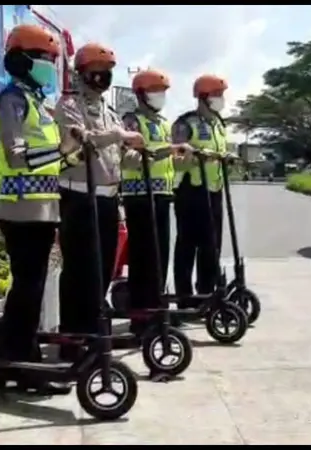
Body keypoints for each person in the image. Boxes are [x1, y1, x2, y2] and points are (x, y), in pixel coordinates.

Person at [0, 24, 76, 394]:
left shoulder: (38, 102)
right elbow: (17, 155)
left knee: (33, 287)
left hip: (43, 209)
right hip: (20, 207)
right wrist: (62, 150)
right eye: (44, 59)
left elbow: (53, 161)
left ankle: (15, 352)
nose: (49, 66)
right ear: (20, 60)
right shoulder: (11, 100)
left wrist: (72, 154)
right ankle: (22, 363)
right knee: (28, 286)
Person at [54, 42, 145, 361]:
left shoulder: (108, 111)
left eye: (108, 73)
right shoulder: (68, 105)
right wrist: (119, 135)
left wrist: (144, 153)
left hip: (108, 198)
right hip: (78, 196)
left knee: (104, 269)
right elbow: (83, 140)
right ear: (83, 73)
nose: (104, 78)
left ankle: (93, 330)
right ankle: (72, 338)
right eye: (99, 72)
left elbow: (119, 156)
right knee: (80, 269)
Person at [120, 69, 192, 335]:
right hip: (139, 196)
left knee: (161, 256)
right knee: (144, 258)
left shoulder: (162, 123)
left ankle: (156, 307)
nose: (160, 96)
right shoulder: (132, 121)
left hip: (162, 196)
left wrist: (180, 158)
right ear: (140, 94)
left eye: (162, 91)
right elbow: (129, 159)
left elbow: (166, 160)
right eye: (155, 91)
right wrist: (163, 152)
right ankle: (141, 316)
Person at [172, 74, 231, 308]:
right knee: (187, 245)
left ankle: (206, 294)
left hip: (214, 190)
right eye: (217, 95)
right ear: (204, 98)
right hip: (191, 192)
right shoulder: (186, 123)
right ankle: (184, 298)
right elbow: (176, 158)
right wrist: (195, 158)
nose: (221, 100)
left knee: (212, 245)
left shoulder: (219, 124)